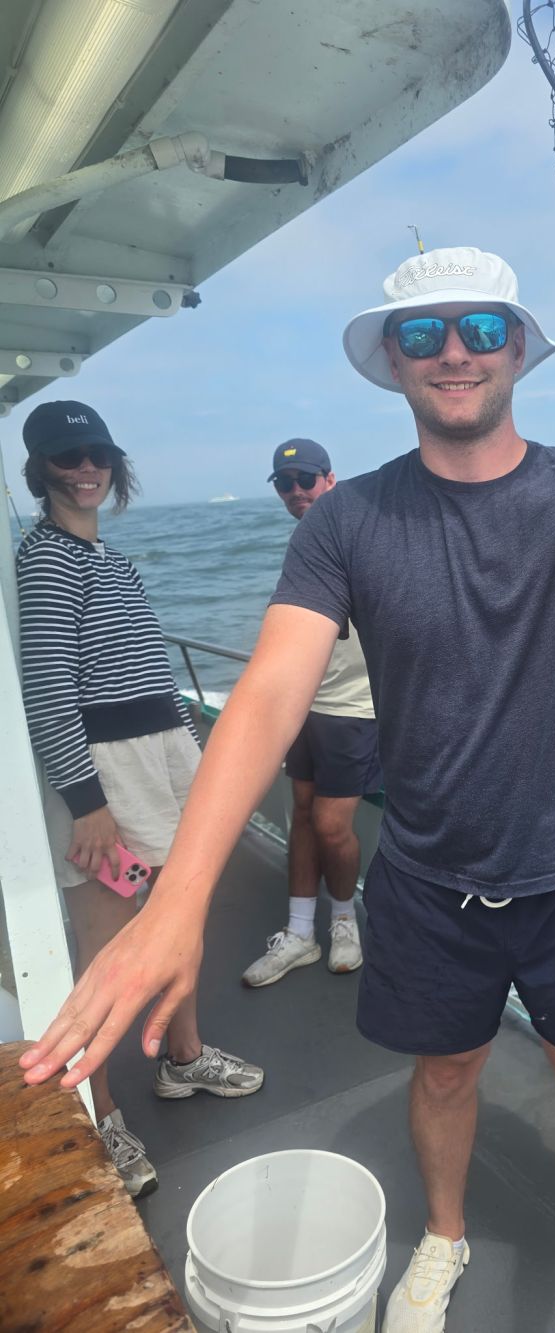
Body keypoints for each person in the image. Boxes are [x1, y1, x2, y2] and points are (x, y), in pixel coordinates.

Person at [19, 253, 555, 1327]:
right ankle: (446, 1236)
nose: (452, 350)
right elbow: (270, 693)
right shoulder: (345, 521)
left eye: (476, 327)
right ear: (392, 364)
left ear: (514, 346)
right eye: (421, 334)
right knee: (445, 1074)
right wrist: (175, 908)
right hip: (427, 876)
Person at [15, 400, 263, 1199]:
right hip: (107, 773)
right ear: (40, 470)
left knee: (178, 913)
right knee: (102, 941)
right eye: (67, 458)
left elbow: (148, 673)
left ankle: (183, 1061)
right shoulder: (46, 559)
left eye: (97, 455)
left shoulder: (107, 559)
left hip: (161, 754)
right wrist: (86, 801)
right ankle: (99, 1109)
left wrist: (195, 741)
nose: (85, 468)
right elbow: (48, 691)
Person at [242, 438, 380, 986]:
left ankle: (344, 921)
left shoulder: (361, 531)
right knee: (300, 812)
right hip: (302, 703)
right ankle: (300, 932)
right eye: (285, 483)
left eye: (305, 479)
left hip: (354, 707)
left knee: (329, 822)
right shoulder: (303, 542)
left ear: (329, 478)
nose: (296, 491)